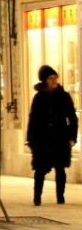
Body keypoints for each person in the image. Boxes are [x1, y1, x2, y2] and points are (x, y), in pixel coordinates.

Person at [27, 65, 78, 205]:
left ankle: (60, 197)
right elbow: (33, 119)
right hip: (43, 139)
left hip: (60, 137)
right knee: (40, 169)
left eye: (55, 77)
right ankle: (37, 196)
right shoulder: (39, 98)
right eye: (51, 78)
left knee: (60, 169)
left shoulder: (64, 96)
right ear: (45, 80)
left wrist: (72, 137)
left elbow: (72, 117)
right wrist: (31, 140)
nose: (54, 80)